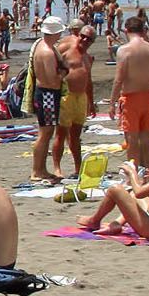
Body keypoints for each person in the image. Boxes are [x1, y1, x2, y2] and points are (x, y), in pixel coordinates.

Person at [113, 15, 149, 170]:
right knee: (146, 139)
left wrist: (112, 102)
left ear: (126, 30)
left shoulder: (124, 50)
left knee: (131, 140)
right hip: (147, 97)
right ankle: (148, 171)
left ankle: (132, 173)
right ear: (142, 30)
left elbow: (119, 79)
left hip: (130, 97)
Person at [50, 26, 96, 181]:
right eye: (83, 36)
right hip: (66, 95)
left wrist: (91, 101)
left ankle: (78, 168)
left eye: (89, 39)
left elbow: (89, 80)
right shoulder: (67, 48)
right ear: (79, 34)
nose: (85, 40)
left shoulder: (88, 58)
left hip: (80, 97)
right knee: (61, 134)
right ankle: (57, 168)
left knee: (76, 135)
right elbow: (51, 59)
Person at [27, 16, 68, 183]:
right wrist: (64, 73)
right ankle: (37, 169)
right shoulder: (47, 52)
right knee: (45, 133)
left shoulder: (40, 45)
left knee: (46, 131)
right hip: (48, 93)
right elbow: (53, 78)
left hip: (45, 93)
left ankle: (40, 168)